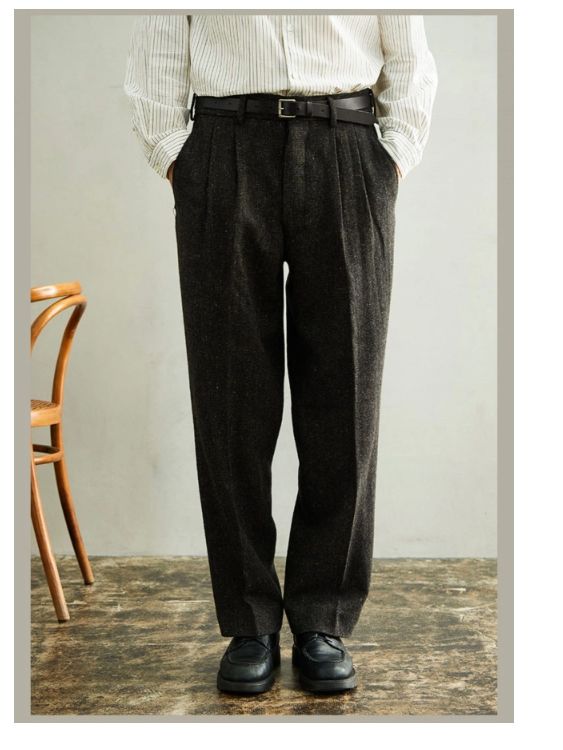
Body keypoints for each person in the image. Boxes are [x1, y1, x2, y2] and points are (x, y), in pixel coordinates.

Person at [123, 14, 438, 695]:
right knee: (230, 395)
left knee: (346, 395)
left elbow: (410, 59)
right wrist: (180, 159)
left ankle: (323, 618)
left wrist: (390, 159)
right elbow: (157, 50)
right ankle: (249, 621)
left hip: (347, 149)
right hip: (225, 146)